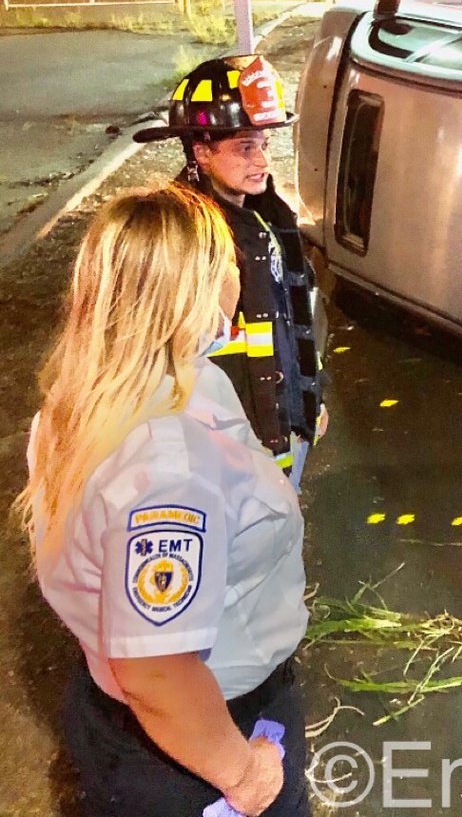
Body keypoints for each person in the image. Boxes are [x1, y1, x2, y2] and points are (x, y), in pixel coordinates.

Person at [15, 185, 309, 817]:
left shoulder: (88, 398)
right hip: (200, 740)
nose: (237, 278)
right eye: (227, 263)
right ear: (190, 290)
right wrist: (245, 775)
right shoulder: (167, 471)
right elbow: (157, 673)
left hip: (122, 716)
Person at [133, 55, 326, 492]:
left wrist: (311, 399)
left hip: (279, 432)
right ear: (201, 152)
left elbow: (291, 314)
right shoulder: (184, 234)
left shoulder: (265, 214)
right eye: (244, 148)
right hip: (227, 457)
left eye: (264, 145)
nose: (263, 161)